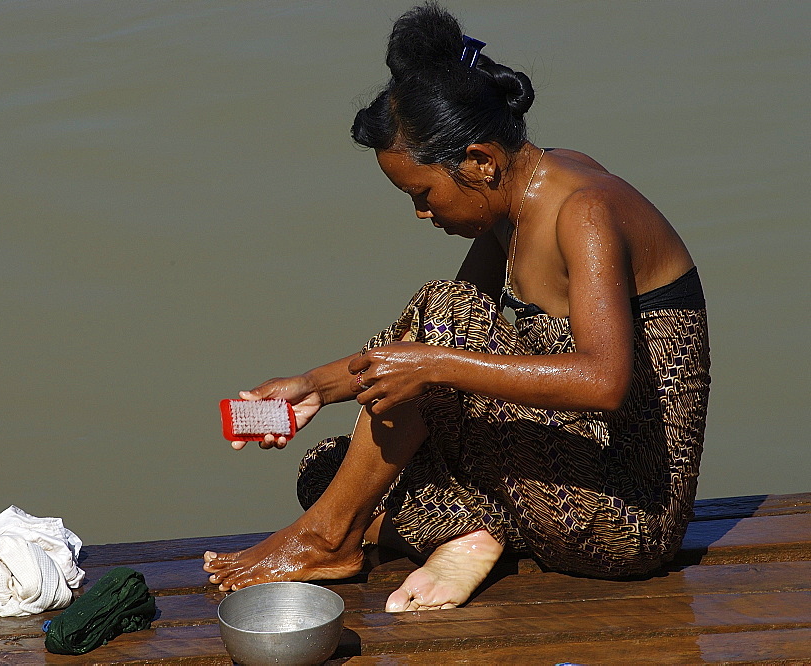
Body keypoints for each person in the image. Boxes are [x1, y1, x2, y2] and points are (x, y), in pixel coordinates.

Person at [203, 2, 710, 612]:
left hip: (624, 515)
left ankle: (332, 538)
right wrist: (314, 386)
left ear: (480, 162)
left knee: (429, 354)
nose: (422, 214)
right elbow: (449, 335)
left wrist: (435, 367)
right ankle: (463, 534)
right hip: (559, 470)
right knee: (328, 468)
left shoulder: (585, 211)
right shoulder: (509, 207)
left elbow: (603, 380)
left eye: (423, 194)